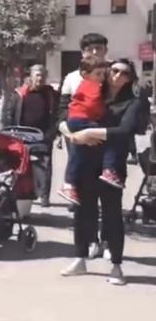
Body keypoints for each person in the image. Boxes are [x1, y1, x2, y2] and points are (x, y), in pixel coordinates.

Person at [60, 58, 144, 285]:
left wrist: (90, 134)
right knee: (83, 212)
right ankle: (80, 258)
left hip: (112, 167)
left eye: (124, 73)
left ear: (130, 78)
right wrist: (71, 134)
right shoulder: (95, 92)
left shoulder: (133, 102)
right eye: (114, 71)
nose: (117, 76)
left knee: (112, 215)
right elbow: (66, 115)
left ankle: (116, 266)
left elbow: (125, 130)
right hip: (87, 161)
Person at [61, 56, 125, 204]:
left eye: (103, 74)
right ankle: (109, 169)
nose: (102, 78)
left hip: (75, 120)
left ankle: (69, 183)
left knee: (78, 153)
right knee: (109, 138)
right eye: (98, 74)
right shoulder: (92, 86)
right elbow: (92, 105)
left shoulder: (85, 84)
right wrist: (102, 113)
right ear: (85, 73)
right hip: (82, 120)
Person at [57, 33, 109, 199]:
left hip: (103, 132)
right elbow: (62, 109)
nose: (94, 52)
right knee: (78, 165)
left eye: (98, 48)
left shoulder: (113, 75)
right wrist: (71, 134)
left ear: (105, 50)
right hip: (77, 128)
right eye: (89, 49)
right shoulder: (71, 78)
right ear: (82, 53)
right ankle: (73, 195)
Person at [2, 65, 59, 206]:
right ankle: (19, 193)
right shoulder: (19, 94)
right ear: (31, 76)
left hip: (43, 135)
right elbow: (9, 114)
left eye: (43, 76)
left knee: (43, 166)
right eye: (37, 75)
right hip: (21, 135)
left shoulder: (51, 94)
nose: (40, 78)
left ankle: (44, 195)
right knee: (18, 165)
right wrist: (9, 132)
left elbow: (57, 115)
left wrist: (52, 133)